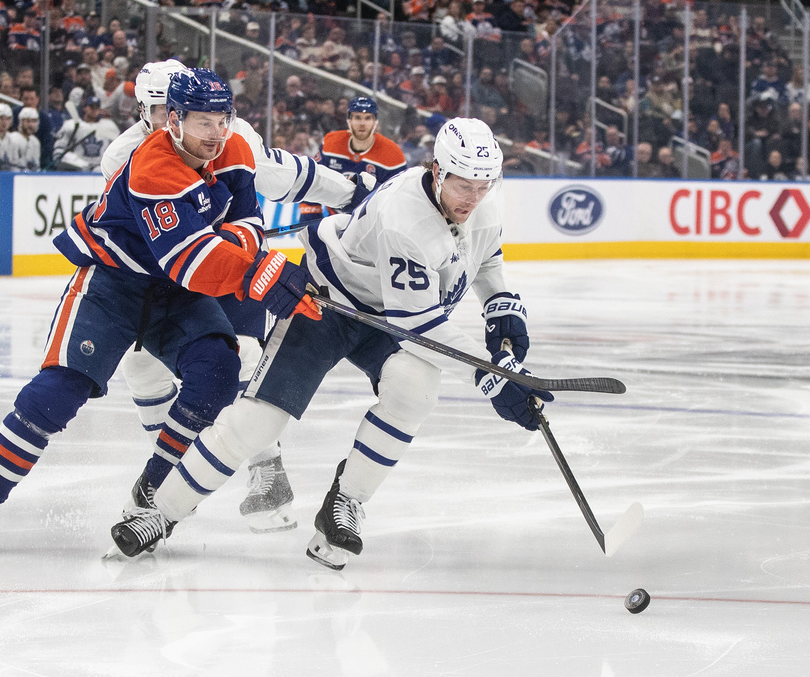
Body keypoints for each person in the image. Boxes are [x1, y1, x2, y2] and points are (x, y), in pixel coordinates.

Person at [108, 118, 554, 568]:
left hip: (389, 313)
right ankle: (161, 513)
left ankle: (346, 502)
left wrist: (501, 306)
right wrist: (494, 376)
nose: (473, 198)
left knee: (414, 389)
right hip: (328, 301)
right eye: (463, 186)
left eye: (483, 186)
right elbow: (417, 325)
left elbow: (484, 257)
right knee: (258, 421)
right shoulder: (405, 215)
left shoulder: (484, 203)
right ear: (437, 171)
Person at [0, 68, 322, 551]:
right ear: (172, 119)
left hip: (179, 293)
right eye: (202, 122)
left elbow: (249, 222)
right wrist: (258, 270)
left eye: (223, 120)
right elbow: (190, 259)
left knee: (217, 371)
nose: (216, 133)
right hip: (114, 284)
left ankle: (153, 487)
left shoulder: (234, 151)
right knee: (59, 389)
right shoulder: (150, 164)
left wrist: (236, 248)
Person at [100, 61, 373, 534]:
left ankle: (267, 473)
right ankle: (168, 468)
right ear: (147, 110)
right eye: (165, 108)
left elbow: (288, 175)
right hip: (174, 279)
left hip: (235, 267)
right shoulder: (123, 155)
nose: (182, 117)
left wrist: (351, 193)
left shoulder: (226, 132)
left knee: (242, 356)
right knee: (140, 366)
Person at [300, 96, 406, 216]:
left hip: (371, 222)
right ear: (349, 120)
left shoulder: (393, 154)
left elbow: (396, 199)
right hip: (335, 217)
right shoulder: (331, 144)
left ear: (375, 122)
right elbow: (312, 180)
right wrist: (311, 218)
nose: (362, 123)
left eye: (367, 118)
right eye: (357, 117)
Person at [51, 95, 119, 170]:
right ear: (84, 108)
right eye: (91, 107)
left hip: (100, 169)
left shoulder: (109, 126)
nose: (94, 110)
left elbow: (118, 150)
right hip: (77, 168)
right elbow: (59, 151)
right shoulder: (72, 125)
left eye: (97, 107)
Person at [7, 107, 42, 171]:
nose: (31, 125)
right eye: (28, 121)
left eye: (34, 121)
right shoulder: (12, 138)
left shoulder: (35, 142)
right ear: (21, 122)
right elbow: (10, 166)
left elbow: (36, 166)